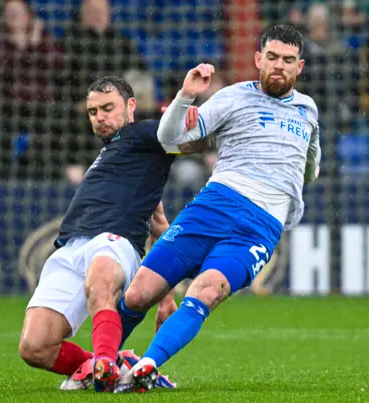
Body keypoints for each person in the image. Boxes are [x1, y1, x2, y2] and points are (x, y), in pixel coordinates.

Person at [114, 24, 321, 393]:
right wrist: (185, 98)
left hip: (259, 227)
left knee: (206, 291)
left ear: (299, 66)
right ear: (258, 59)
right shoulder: (232, 97)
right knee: (137, 294)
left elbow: (311, 164)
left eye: (288, 61)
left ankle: (146, 366)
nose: (279, 66)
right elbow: (169, 139)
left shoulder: (308, 111)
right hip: (214, 205)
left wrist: (297, 176)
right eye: (271, 57)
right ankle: (99, 364)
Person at [18, 76, 209, 392]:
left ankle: (103, 366)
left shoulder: (147, 134)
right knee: (34, 347)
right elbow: (159, 224)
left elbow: (189, 139)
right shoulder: (118, 158)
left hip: (114, 241)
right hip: (69, 249)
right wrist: (164, 298)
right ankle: (114, 367)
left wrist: (189, 105)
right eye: (93, 111)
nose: (100, 117)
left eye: (108, 108)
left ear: (130, 106)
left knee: (102, 281)